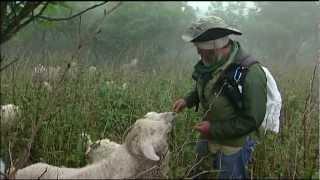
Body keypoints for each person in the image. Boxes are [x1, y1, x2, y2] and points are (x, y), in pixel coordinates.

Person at [172, 16, 267, 179]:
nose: (198, 52)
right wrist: (188, 100)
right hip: (208, 137)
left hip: (233, 145)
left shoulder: (250, 73)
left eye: (200, 49)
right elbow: (207, 87)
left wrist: (213, 128)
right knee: (199, 173)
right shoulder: (210, 63)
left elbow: (252, 120)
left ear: (214, 48)